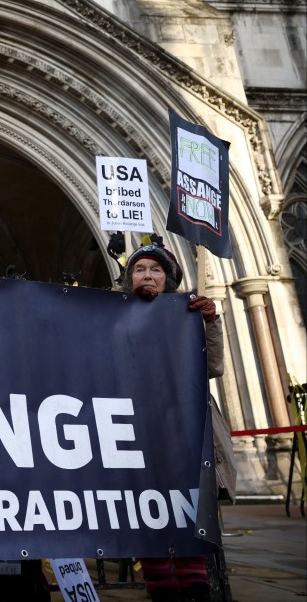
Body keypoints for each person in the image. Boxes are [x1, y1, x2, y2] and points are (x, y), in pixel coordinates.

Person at [123, 243, 232, 602]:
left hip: (181, 431)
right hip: (135, 432)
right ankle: (161, 587)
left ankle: (195, 585)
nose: (148, 275)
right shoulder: (113, 316)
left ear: (168, 279)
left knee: (187, 506)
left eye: (156, 270)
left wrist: (210, 322)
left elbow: (213, 366)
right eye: (140, 269)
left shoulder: (187, 315)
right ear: (129, 279)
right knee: (146, 508)